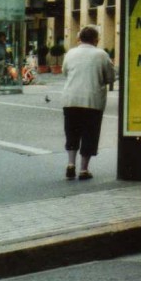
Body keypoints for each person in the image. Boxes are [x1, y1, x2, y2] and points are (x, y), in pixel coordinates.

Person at [61, 26, 116, 180]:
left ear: (80, 38)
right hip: (92, 101)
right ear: (95, 39)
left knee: (71, 132)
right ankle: (84, 170)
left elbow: (65, 72)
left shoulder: (70, 53)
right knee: (89, 134)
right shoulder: (101, 54)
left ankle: (71, 164)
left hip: (70, 99)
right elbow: (111, 77)